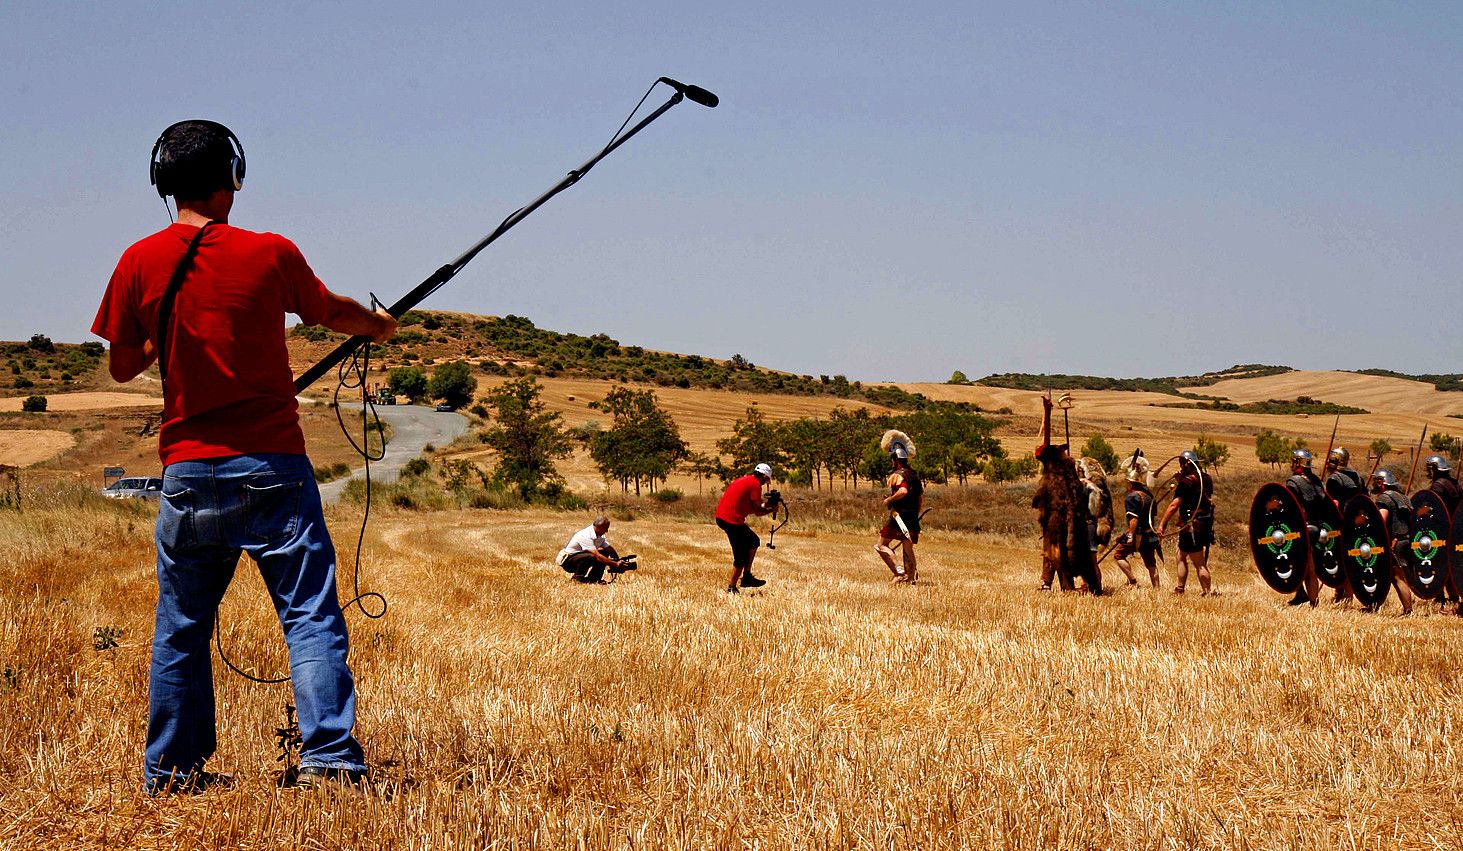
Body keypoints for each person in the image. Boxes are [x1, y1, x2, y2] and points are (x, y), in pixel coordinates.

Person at [92, 120, 397, 795]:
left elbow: (120, 366)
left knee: (181, 629)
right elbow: (329, 312)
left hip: (190, 472)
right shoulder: (270, 252)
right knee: (311, 616)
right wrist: (379, 324)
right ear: (235, 175)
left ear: (161, 182)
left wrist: (165, 336)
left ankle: (170, 773)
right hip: (273, 465)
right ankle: (332, 764)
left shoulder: (136, 260)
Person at [1030, 395, 1101, 594]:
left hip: (1068, 522)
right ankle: (1048, 583)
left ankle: (1067, 586)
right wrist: (1047, 413)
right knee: (1052, 550)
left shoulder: (1074, 484)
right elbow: (1042, 450)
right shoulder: (1057, 478)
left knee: (1060, 551)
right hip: (1057, 519)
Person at [1157, 450, 1214, 595]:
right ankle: (1180, 588)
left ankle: (1206, 592)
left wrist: (1162, 525)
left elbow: (1174, 505)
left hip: (1191, 525)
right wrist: (1181, 480)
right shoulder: (1207, 478)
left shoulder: (1186, 482)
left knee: (1199, 562)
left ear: (1186, 464)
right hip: (1204, 523)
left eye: (1182, 464)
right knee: (1181, 555)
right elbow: (1196, 493)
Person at [714, 463, 777, 593]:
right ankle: (732, 587)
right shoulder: (755, 485)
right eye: (766, 480)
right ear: (764, 476)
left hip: (724, 516)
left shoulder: (746, 480)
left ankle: (747, 576)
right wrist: (771, 508)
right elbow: (759, 511)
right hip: (731, 520)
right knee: (741, 555)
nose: (766, 483)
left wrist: (768, 506)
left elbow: (755, 507)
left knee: (753, 541)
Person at [875, 430, 922, 583]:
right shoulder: (914, 475)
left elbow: (903, 491)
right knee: (908, 548)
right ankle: (910, 578)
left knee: (881, 545)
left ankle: (899, 572)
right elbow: (919, 498)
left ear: (895, 458)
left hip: (899, 516)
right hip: (912, 516)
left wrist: (890, 500)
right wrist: (914, 514)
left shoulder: (899, 474)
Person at [1284, 449, 1327, 607]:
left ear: (1298, 462)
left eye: (1294, 461)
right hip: (1317, 528)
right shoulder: (1315, 480)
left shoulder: (1293, 482)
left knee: (1307, 566)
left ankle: (1312, 600)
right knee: (1302, 563)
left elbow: (1290, 506)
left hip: (1303, 528)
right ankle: (1301, 593)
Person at [1369, 469, 1416, 615]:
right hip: (1407, 540)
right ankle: (1373, 605)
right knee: (1389, 575)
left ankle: (1408, 610)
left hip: (1395, 542)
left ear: (1381, 483)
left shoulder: (1384, 498)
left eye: (1376, 481)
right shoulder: (1404, 497)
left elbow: (1381, 520)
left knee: (1397, 578)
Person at [1113, 451, 1161, 588]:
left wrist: (1129, 534)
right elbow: (1153, 515)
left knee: (1118, 555)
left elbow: (1134, 519)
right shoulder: (1149, 495)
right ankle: (1157, 589)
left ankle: (1133, 582)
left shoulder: (1132, 497)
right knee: (1151, 564)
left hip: (1137, 535)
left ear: (1130, 482)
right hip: (1149, 533)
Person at [556, 516, 628, 583]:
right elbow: (596, 555)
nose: (607, 531)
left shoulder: (599, 535)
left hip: (579, 558)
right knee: (591, 556)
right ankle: (577, 578)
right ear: (599, 527)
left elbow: (609, 548)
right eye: (605, 528)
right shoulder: (585, 535)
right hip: (568, 562)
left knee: (604, 552)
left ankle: (594, 579)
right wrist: (615, 564)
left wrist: (618, 560)